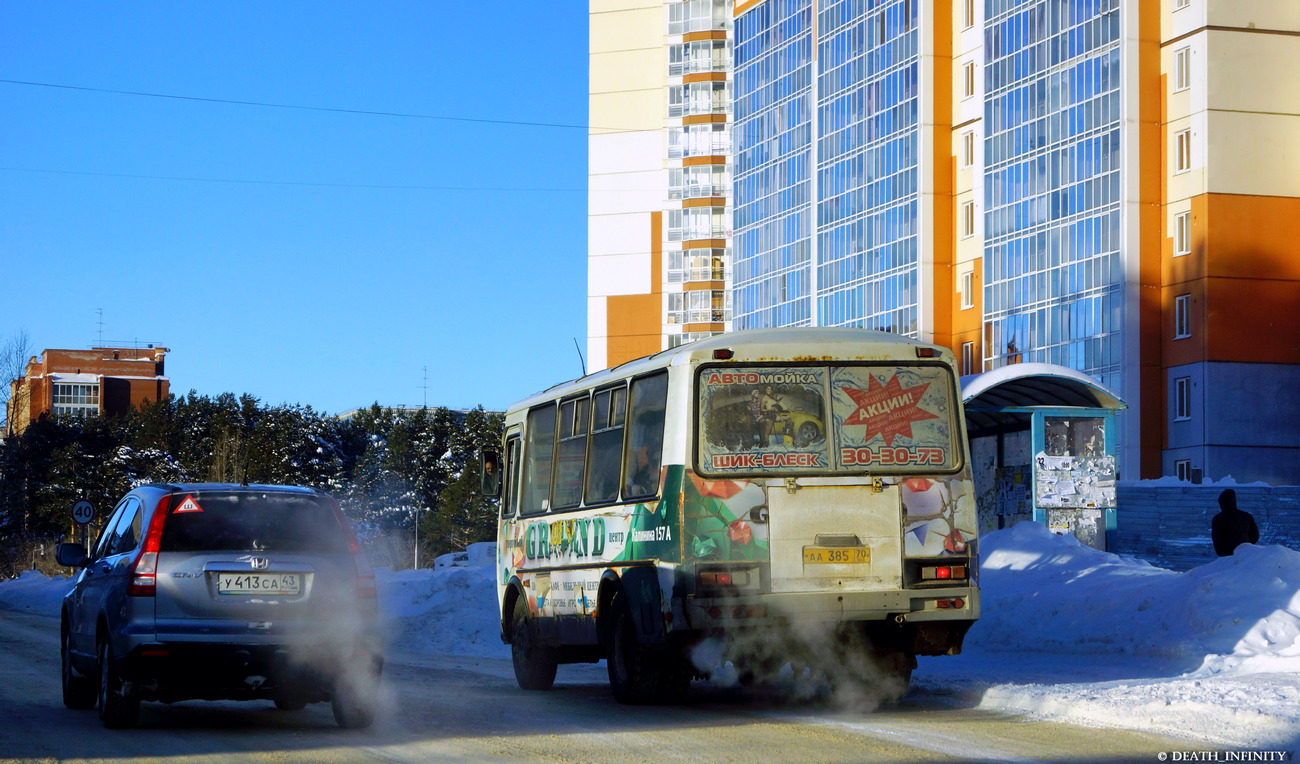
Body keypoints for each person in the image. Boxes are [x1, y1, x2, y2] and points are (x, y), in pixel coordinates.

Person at [1211, 488, 1259, 557]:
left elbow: (1217, 539)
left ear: (1222, 503)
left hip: (1226, 556)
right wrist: (1246, 547)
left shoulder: (1218, 519)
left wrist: (1222, 552)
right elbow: (1255, 536)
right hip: (1244, 555)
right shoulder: (1247, 516)